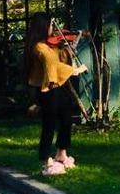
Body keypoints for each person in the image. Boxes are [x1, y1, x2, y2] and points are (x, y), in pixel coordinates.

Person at [23, 12, 88, 176]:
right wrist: (74, 70)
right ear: (43, 26)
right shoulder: (38, 47)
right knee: (49, 123)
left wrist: (69, 48)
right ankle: (46, 160)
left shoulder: (50, 44)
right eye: (51, 25)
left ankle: (61, 153)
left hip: (59, 85)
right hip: (46, 88)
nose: (53, 28)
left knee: (66, 119)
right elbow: (52, 64)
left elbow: (60, 57)